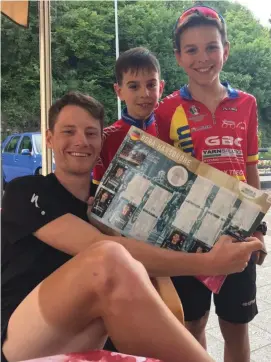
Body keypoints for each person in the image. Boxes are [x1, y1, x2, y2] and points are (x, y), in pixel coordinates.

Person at [1, 92, 262, 362]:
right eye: (69, 131)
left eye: (91, 133)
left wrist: (250, 231)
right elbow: (98, 250)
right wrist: (209, 264)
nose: (81, 141)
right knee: (108, 258)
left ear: (101, 141)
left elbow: (157, 249)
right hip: (23, 338)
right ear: (50, 138)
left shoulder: (112, 202)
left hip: (95, 336)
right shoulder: (25, 191)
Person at [155, 5, 267, 362]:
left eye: (211, 47)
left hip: (238, 234)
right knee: (193, 325)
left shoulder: (247, 104)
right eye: (192, 49)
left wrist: (259, 230)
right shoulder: (165, 109)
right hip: (186, 238)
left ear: (226, 50)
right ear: (178, 57)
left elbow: (251, 172)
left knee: (236, 326)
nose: (203, 58)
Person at [92, 47, 164, 186]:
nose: (145, 94)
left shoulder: (171, 131)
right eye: (134, 86)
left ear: (160, 88)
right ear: (119, 91)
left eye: (151, 85)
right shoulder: (105, 139)